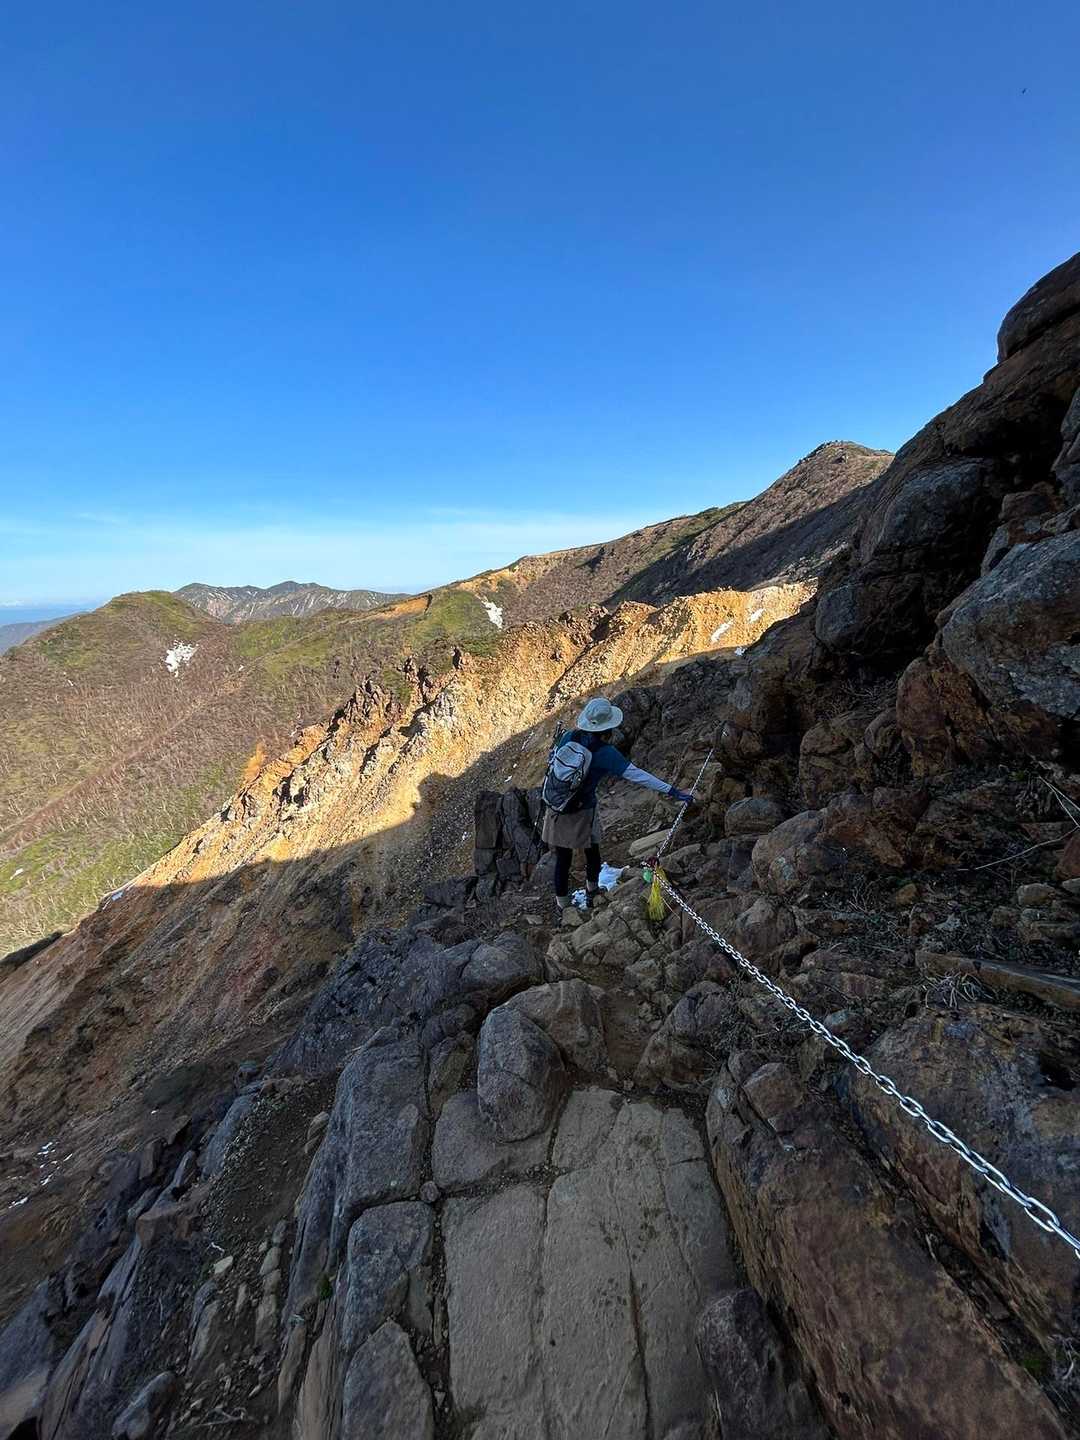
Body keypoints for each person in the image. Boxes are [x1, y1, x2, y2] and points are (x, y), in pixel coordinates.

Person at [541, 696, 694, 920]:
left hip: (557, 804)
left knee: (563, 858)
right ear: (607, 728)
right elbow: (638, 775)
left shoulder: (569, 736)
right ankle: (592, 892)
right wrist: (672, 791)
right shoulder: (605, 753)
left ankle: (562, 905)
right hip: (583, 809)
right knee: (592, 851)